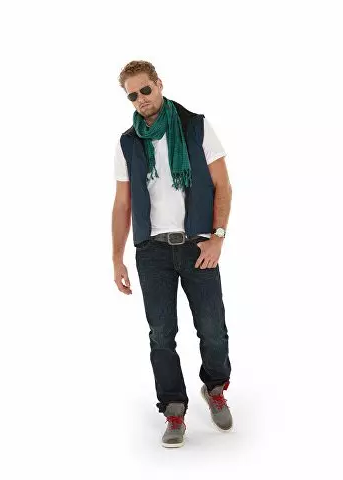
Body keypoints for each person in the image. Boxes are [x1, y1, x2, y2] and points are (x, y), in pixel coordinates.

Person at [111, 60, 233, 448]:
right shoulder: (128, 142)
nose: (141, 99)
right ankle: (174, 408)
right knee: (161, 334)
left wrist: (218, 237)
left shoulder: (196, 126)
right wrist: (117, 258)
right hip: (152, 252)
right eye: (132, 95)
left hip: (198, 245)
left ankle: (215, 388)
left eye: (145, 90)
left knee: (212, 328)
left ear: (159, 84)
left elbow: (223, 185)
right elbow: (122, 204)